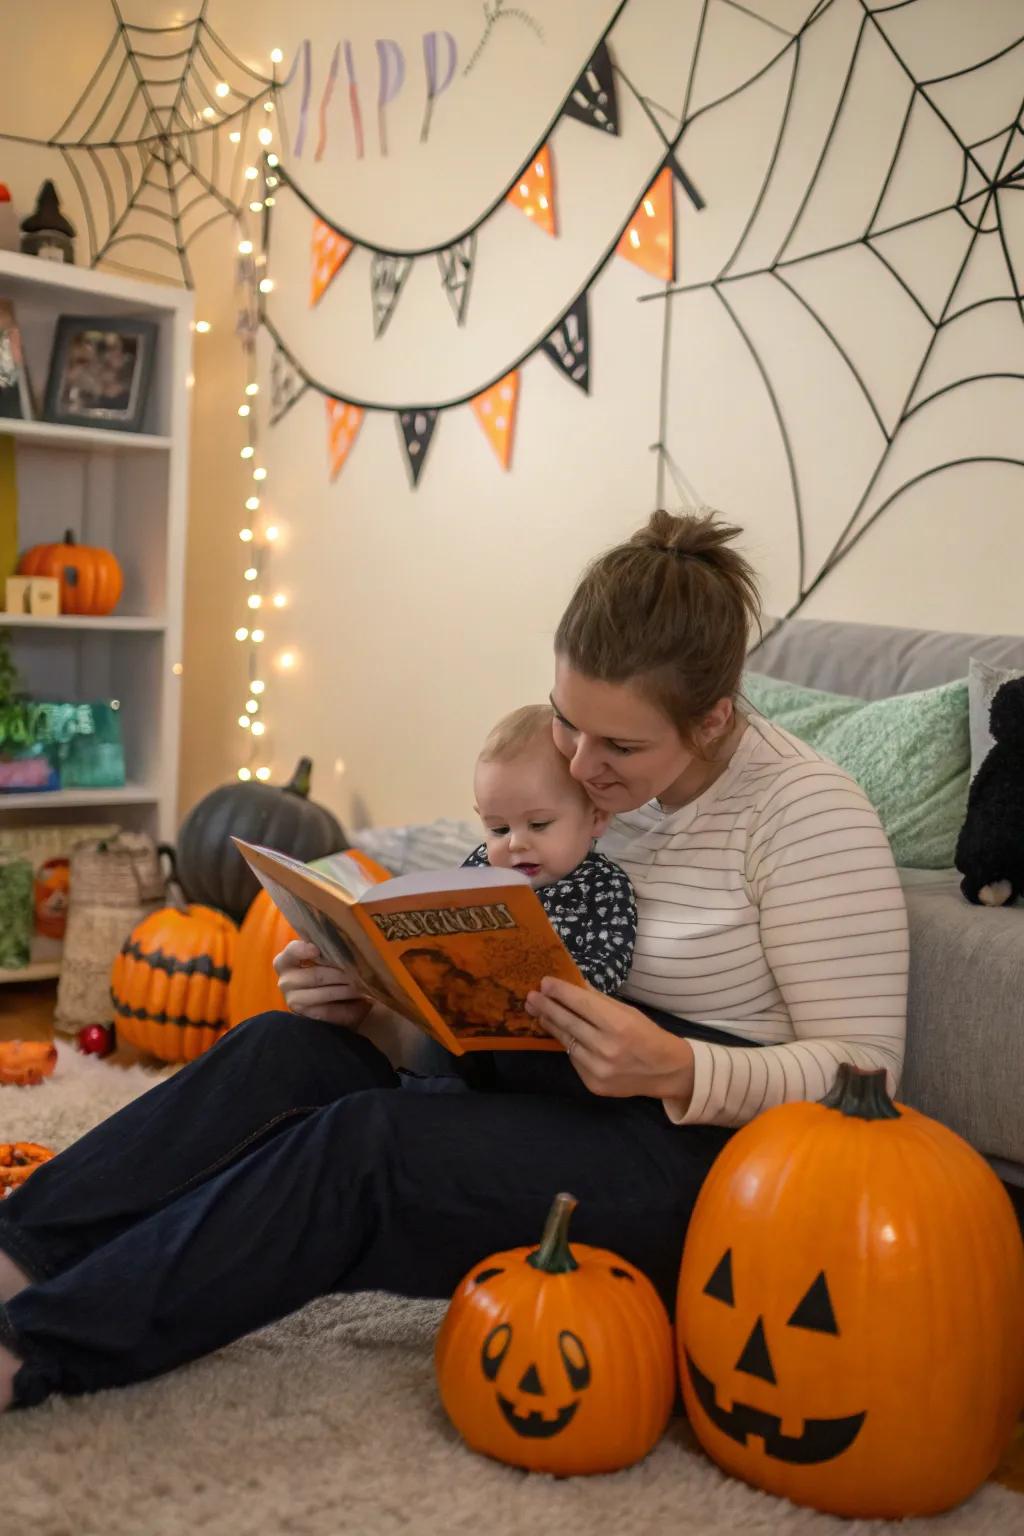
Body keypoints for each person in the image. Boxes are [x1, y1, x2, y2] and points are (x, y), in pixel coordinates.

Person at [0, 510, 907, 1411]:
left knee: (367, 1151)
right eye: (568, 724)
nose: (584, 767)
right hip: (544, 1094)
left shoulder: (806, 815)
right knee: (289, 1051)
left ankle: (35, 1352)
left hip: (693, 1162)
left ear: (712, 721)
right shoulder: (577, 783)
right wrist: (376, 995)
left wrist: (678, 1066)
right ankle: (15, 1254)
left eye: (621, 747)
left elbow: (867, 1075)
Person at [463, 701, 637, 994]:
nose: (515, 843)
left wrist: (551, 986)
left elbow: (610, 964)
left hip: (550, 1016)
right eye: (499, 829)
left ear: (596, 818)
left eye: (539, 824)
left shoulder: (604, 886)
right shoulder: (482, 867)